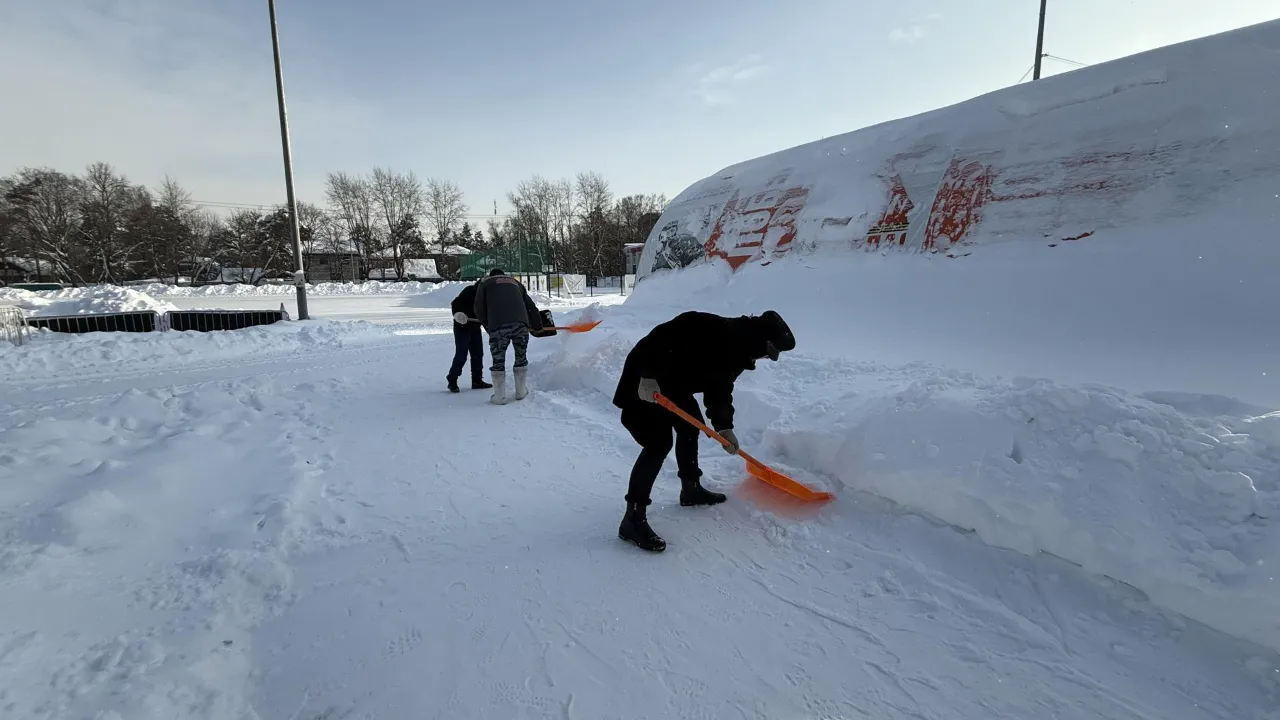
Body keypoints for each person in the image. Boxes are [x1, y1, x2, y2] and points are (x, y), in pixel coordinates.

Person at [611, 309, 796, 552]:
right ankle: (632, 519)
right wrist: (647, 376)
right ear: (762, 342)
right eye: (768, 353)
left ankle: (691, 489)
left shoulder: (738, 352)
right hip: (644, 383)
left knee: (690, 426)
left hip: (673, 385)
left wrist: (724, 426)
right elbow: (655, 342)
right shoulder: (705, 326)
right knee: (658, 443)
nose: (764, 359)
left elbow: (719, 389)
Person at [473, 268, 545, 404]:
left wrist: (488, 326)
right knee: (521, 356)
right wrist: (537, 325)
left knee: (498, 360)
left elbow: (478, 308)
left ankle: (499, 397)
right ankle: (521, 392)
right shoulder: (515, 283)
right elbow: (530, 306)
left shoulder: (485, 284)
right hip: (520, 324)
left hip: (498, 325)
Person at [446, 280, 492, 393]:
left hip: (475, 326)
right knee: (461, 354)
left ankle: (477, 381)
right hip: (462, 326)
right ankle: (452, 379)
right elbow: (455, 303)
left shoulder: (487, 296)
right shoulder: (470, 291)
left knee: (478, 353)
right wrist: (458, 314)